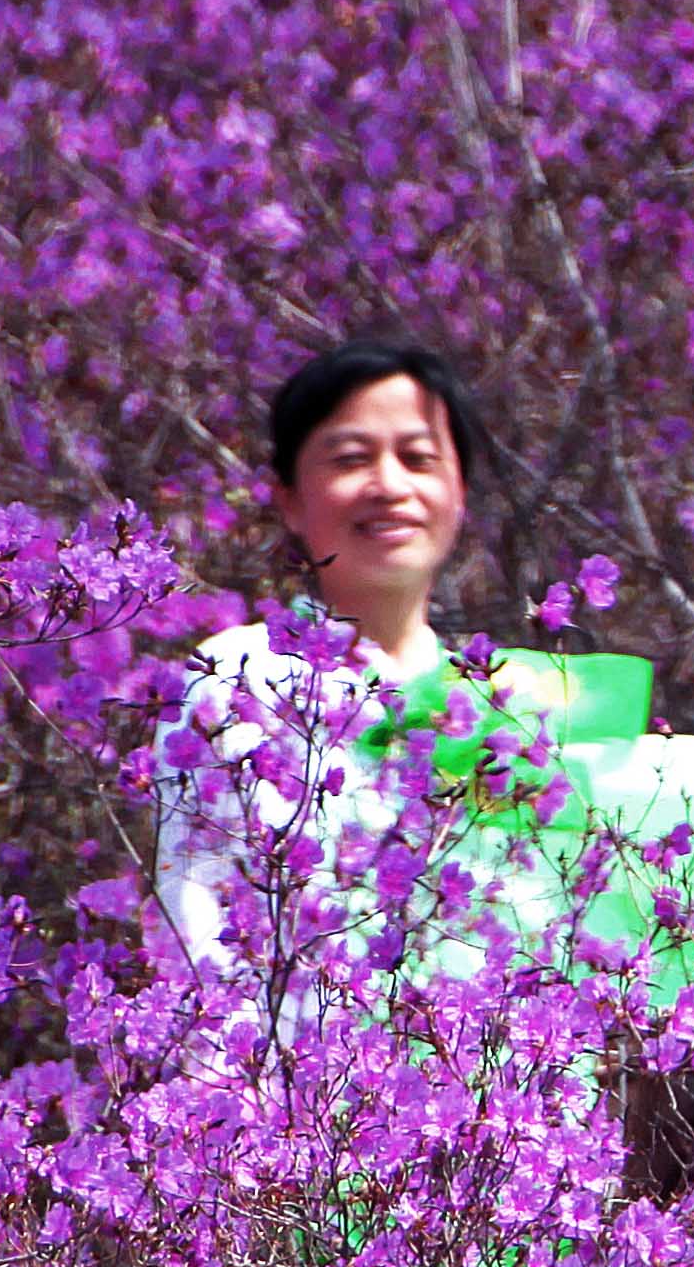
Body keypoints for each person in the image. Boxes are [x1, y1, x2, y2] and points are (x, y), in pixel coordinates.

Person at [154, 336, 652, 975]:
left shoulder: (512, 700)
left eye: (418, 458)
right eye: (352, 458)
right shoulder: (241, 680)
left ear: (459, 491)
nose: (389, 485)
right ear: (288, 497)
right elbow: (199, 925)